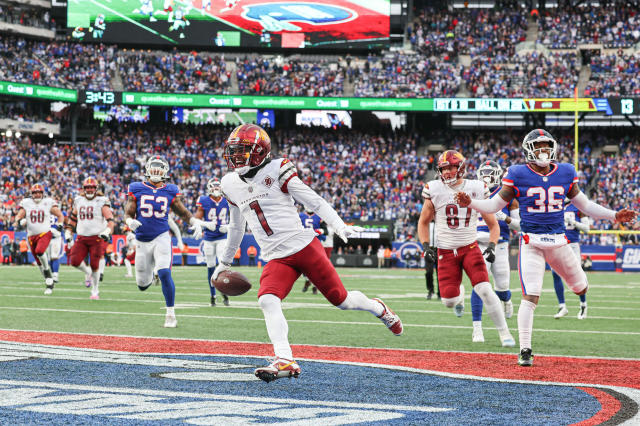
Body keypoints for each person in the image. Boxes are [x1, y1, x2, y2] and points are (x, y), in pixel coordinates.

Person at [212, 124, 403, 382]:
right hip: (276, 257)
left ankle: (377, 307)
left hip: (303, 246)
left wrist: (338, 225)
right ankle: (285, 358)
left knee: (342, 300)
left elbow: (312, 200)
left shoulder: (277, 169)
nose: (236, 157)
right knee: (267, 300)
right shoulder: (229, 183)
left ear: (259, 152)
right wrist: (224, 261)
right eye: (233, 151)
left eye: (242, 151)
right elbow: (237, 225)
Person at [455, 129, 638, 366]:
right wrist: (473, 203)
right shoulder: (517, 173)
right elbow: (493, 204)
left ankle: (577, 294)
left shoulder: (565, 171)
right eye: (538, 146)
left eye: (546, 146)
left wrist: (614, 215)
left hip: (559, 242)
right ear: (529, 149)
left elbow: (585, 204)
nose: (543, 151)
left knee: (581, 287)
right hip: (532, 242)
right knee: (530, 297)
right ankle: (525, 350)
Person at [418, 150, 515, 348]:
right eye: (443, 169)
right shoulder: (434, 189)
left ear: (460, 168)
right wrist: (426, 245)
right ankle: (459, 295)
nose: (446, 173)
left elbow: (493, 224)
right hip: (445, 252)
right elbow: (423, 222)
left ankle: (504, 333)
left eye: (450, 168)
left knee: (485, 289)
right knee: (449, 301)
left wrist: (492, 245)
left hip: (470, 247)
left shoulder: (476, 187)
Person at [124, 155, 204, 328]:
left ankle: (170, 314)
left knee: (165, 272)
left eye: (159, 168)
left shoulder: (170, 190)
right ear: (146, 170)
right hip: (142, 241)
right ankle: (151, 276)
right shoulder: (136, 188)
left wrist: (193, 222)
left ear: (166, 172)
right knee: (142, 285)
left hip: (162, 236)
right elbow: (128, 213)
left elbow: (182, 212)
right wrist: (130, 222)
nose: (156, 171)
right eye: (153, 167)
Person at [471, 161, 521, 343]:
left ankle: (507, 300)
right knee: (479, 285)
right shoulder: (472, 192)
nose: (486, 176)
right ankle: (477, 328)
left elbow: (521, 225)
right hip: (477, 243)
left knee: (502, 288)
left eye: (490, 173)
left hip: (500, 244)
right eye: (484, 172)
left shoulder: (508, 196)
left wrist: (505, 218)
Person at [65, 177, 115, 300]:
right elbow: (73, 218)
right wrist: (69, 230)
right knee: (75, 261)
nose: (90, 189)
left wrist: (107, 231)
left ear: (96, 188)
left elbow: (110, 221)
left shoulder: (102, 201)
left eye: (92, 187)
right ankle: (88, 273)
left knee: (95, 264)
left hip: (97, 238)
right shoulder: (79, 200)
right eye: (87, 187)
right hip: (81, 237)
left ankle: (95, 290)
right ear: (83, 189)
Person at [14, 184, 64, 294]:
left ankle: (50, 275)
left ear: (42, 193)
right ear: (31, 194)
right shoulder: (26, 202)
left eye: (39, 192)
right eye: (35, 192)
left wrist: (60, 226)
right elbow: (19, 215)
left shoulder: (48, 202)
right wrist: (18, 221)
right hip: (31, 235)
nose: (37, 194)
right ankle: (48, 281)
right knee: (38, 261)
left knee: (40, 251)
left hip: (44, 233)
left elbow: (60, 215)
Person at [195, 178, 230, 306]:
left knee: (221, 264)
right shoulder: (203, 200)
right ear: (209, 188)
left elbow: (239, 219)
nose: (216, 189)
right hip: (209, 239)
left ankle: (224, 292)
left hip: (222, 237)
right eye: (214, 187)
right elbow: (196, 219)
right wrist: (205, 224)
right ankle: (212, 295)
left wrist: (228, 226)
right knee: (210, 267)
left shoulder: (227, 200)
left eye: (217, 187)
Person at [553, 200, 590, 319]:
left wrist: (573, 222)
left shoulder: (577, 205)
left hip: (572, 244)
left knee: (576, 275)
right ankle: (562, 306)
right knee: (555, 274)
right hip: (557, 243)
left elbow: (586, 229)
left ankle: (583, 305)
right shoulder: (554, 204)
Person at [299, 208, 327, 294]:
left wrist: (320, 231)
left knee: (317, 266)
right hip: (304, 244)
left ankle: (315, 286)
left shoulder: (319, 217)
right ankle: (308, 281)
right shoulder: (300, 216)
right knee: (304, 266)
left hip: (316, 244)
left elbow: (326, 231)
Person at [424, 222, 440, 300]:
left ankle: (440, 293)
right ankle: (430, 290)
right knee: (428, 272)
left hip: (439, 249)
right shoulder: (426, 223)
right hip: (429, 249)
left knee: (440, 273)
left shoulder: (441, 222)